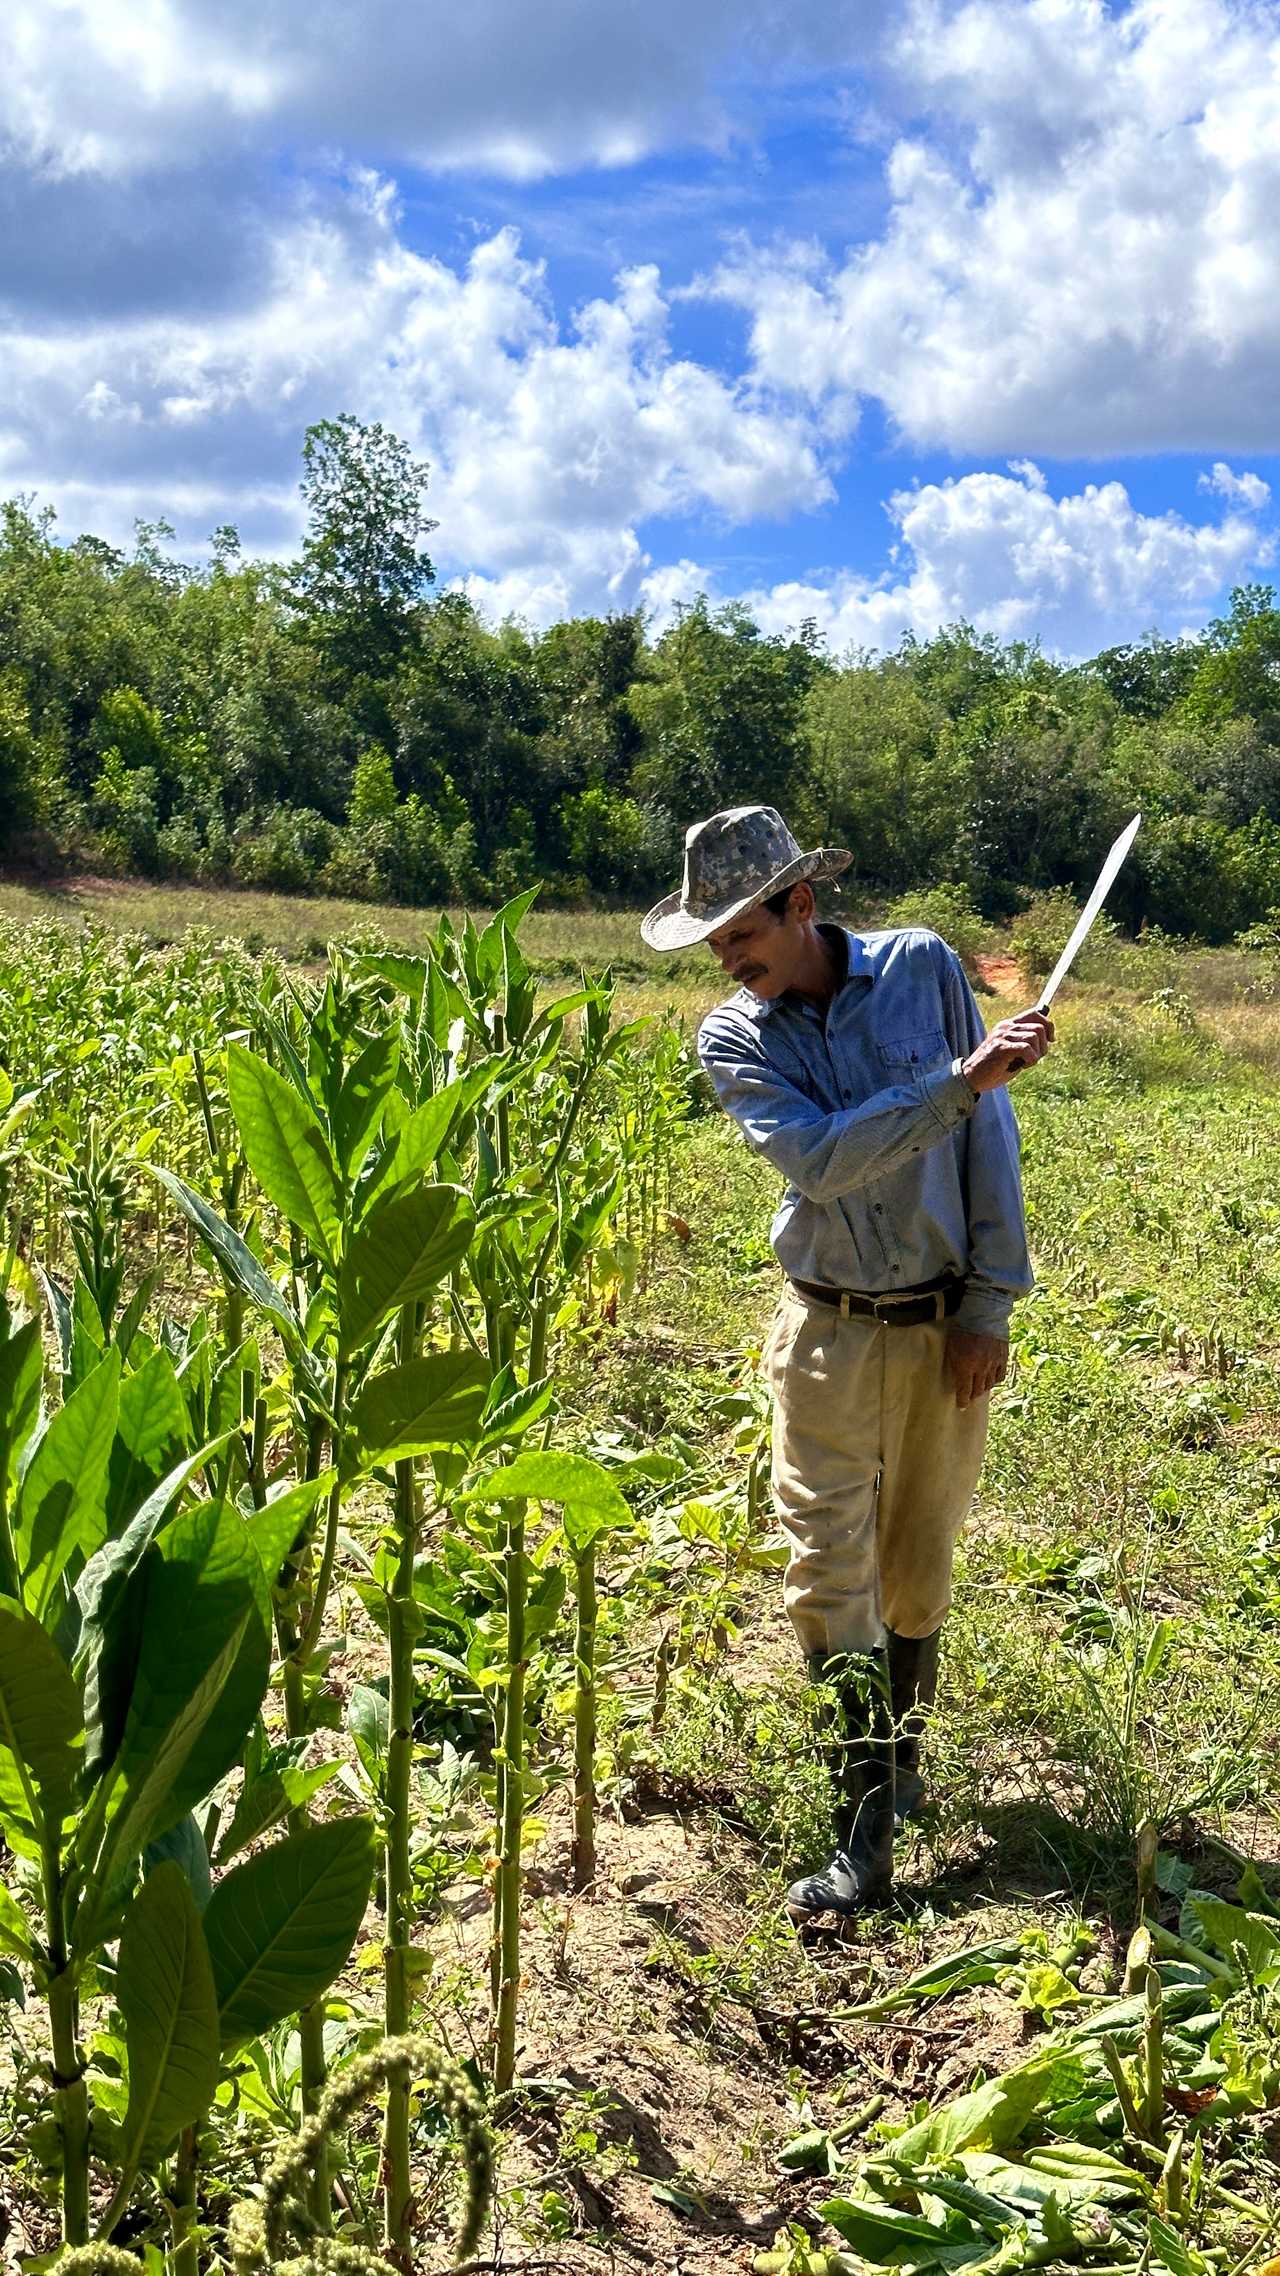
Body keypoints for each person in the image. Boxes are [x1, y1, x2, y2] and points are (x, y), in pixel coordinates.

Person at [641, 805, 1052, 1921]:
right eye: (715, 943)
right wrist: (958, 1080)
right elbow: (819, 1162)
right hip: (822, 1330)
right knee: (827, 1573)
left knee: (916, 1566)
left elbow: (985, 1140)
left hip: (937, 1327)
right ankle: (860, 1834)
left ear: (798, 904)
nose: (728, 959)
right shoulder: (732, 1037)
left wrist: (988, 1301)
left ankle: (899, 1761)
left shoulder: (920, 967)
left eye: (740, 933)